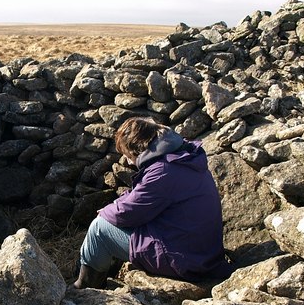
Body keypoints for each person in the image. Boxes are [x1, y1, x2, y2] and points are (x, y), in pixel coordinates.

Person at [73, 116, 232, 289]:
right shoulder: (182, 157)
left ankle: (86, 288)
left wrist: (105, 211)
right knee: (112, 221)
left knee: (99, 229)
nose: (127, 161)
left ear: (137, 148)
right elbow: (140, 195)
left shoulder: (162, 172)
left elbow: (128, 213)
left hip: (185, 260)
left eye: (127, 154)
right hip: (203, 253)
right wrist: (115, 206)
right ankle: (104, 274)